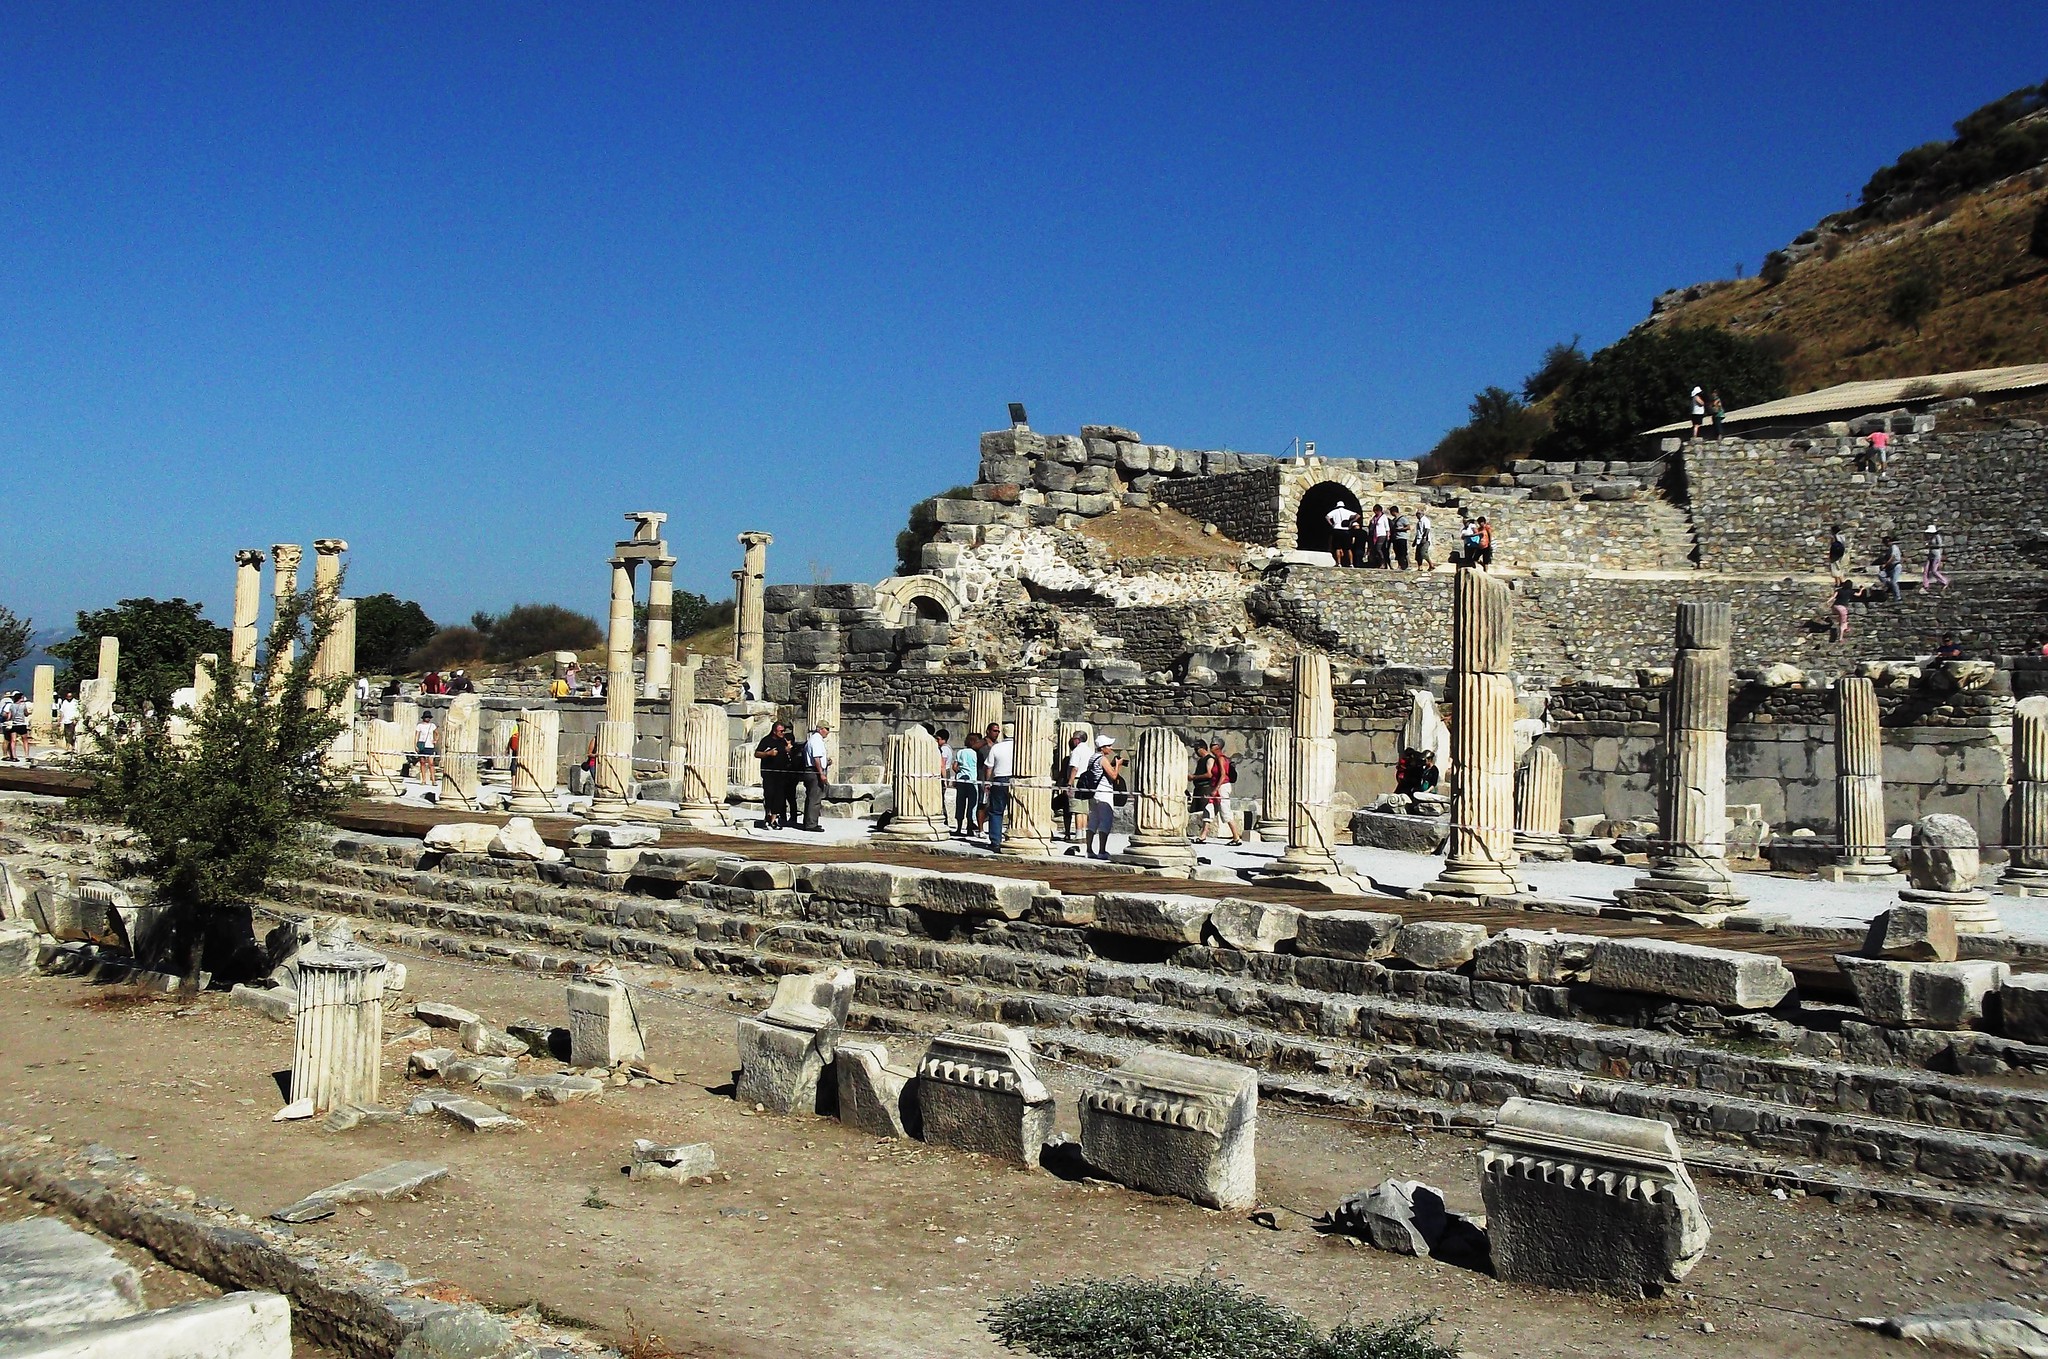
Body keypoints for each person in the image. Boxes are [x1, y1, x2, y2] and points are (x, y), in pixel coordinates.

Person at [1080, 733, 1123, 861]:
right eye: (1109, 746)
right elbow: (1113, 776)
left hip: (1094, 793)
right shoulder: (1102, 759)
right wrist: (1118, 765)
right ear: (1103, 747)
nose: (1110, 748)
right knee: (1105, 821)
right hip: (1104, 792)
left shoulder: (1093, 757)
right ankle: (1102, 850)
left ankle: (1089, 849)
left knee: (1093, 820)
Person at [755, 722, 795, 829]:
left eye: (783, 731)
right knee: (769, 795)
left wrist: (788, 750)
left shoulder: (783, 740)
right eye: (780, 731)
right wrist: (767, 754)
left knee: (779, 797)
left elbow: (787, 753)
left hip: (781, 774)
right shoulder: (766, 740)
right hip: (769, 773)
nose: (783, 733)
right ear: (774, 731)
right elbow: (757, 753)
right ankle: (767, 816)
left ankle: (773, 819)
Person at [983, 723, 1015, 852]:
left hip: (1000, 779)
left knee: (996, 811)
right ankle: (1013, 836)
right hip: (1016, 779)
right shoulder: (1021, 747)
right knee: (1015, 812)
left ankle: (995, 840)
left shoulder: (997, 747)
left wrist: (987, 782)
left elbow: (989, 767)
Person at [1202, 739, 1241, 845]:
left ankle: (1236, 837)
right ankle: (1203, 836)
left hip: (1222, 787)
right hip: (1216, 786)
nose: (1210, 747)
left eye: (1213, 745)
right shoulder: (1215, 759)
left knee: (1225, 811)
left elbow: (1223, 775)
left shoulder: (1220, 758)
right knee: (1208, 809)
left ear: (1218, 746)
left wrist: (1215, 790)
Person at [1058, 730, 1090, 842]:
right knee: (1084, 810)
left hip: (1077, 780)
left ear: (1077, 740)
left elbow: (1074, 768)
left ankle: (1078, 835)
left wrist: (1069, 783)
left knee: (1076, 809)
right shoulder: (1090, 751)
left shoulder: (1076, 751)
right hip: (1087, 781)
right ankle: (1084, 834)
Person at [800, 722, 831, 831]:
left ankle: (809, 822)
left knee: (812, 797)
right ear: (820, 729)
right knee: (814, 799)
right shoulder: (816, 740)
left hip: (812, 770)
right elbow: (816, 758)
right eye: (826, 729)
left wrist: (826, 763)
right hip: (814, 772)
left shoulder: (813, 740)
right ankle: (811, 824)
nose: (828, 731)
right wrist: (821, 774)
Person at [953, 731, 982, 835]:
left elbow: (954, 766)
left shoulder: (960, 752)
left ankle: (959, 828)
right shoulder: (976, 753)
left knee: (960, 804)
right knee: (972, 805)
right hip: (973, 781)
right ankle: (969, 827)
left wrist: (959, 772)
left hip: (961, 781)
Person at [1325, 500, 1357, 566]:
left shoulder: (1334, 511)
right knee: (1348, 548)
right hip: (1346, 530)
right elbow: (1357, 515)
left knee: (1338, 547)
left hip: (1337, 529)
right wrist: (1351, 522)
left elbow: (1327, 517)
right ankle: (1351, 563)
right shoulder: (1347, 511)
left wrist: (1331, 524)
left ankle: (1339, 563)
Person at [413, 711, 439, 786]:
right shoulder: (419, 726)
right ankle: (423, 780)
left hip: (430, 745)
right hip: (422, 744)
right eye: (426, 717)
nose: (427, 718)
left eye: (428, 717)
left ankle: (433, 780)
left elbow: (437, 733)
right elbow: (417, 735)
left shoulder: (432, 725)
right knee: (422, 763)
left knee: (431, 763)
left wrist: (435, 740)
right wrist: (415, 745)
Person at [1922, 525, 1950, 592]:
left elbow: (1939, 545)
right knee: (1926, 571)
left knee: (1934, 571)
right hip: (1931, 555)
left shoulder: (1937, 536)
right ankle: (1925, 585)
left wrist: (1930, 545)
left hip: (1936, 555)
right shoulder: (1930, 537)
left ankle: (1944, 581)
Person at [1832, 577, 1858, 642]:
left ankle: (1846, 627)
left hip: (1835, 606)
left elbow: (1833, 597)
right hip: (1842, 608)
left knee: (1841, 618)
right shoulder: (1850, 591)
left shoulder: (1839, 590)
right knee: (1842, 623)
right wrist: (1861, 589)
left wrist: (1828, 601)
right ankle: (1841, 637)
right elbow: (1858, 594)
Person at [1879, 537, 1904, 601]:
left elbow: (1892, 558)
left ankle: (1898, 597)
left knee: (1894, 582)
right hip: (1889, 567)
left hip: (1896, 566)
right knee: (1881, 575)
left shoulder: (1894, 548)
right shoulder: (1889, 549)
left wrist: (1885, 565)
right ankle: (1890, 586)